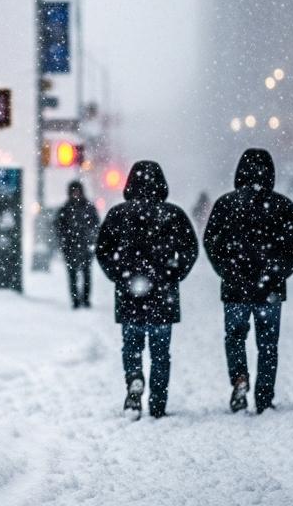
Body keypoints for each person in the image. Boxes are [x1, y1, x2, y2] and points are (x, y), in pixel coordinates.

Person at [203, 148, 293, 415]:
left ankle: (239, 379)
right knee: (268, 343)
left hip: (235, 288)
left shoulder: (226, 204)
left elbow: (211, 241)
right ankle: (264, 396)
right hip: (269, 289)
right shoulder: (282, 206)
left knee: (235, 337)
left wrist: (226, 270)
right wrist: (278, 272)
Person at [95, 161, 198, 419]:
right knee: (161, 351)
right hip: (163, 293)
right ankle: (158, 400)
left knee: (132, 345)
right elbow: (190, 248)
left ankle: (134, 379)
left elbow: (103, 249)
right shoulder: (173, 214)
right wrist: (176, 273)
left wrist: (117, 274)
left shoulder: (118, 214)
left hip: (129, 292)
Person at [55, 181, 100, 309]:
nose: (75, 193)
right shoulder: (66, 208)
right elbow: (59, 228)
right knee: (73, 275)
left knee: (85, 274)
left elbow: (95, 225)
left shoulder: (86, 207)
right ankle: (75, 299)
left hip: (84, 246)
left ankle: (85, 299)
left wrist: (91, 239)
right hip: (72, 247)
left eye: (77, 190)